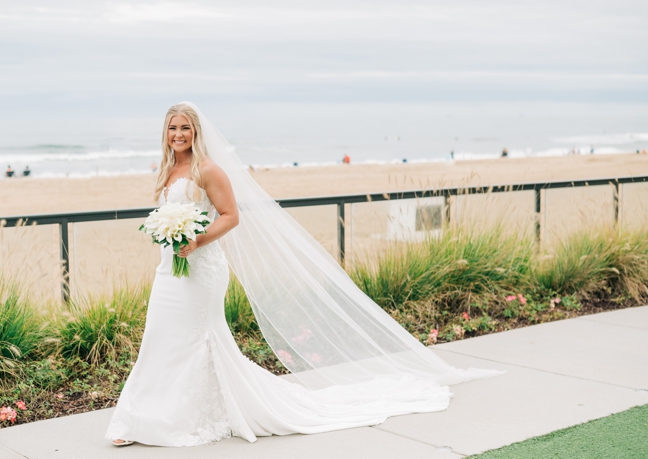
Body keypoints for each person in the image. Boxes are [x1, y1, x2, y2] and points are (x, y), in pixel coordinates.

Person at [105, 103, 500, 447]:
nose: (178, 134)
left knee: (195, 340)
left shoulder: (209, 169)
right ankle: (146, 414)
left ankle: (175, 419)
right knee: (160, 334)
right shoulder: (170, 167)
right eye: (172, 128)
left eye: (185, 127)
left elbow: (231, 216)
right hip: (169, 271)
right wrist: (168, 233)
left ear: (196, 131)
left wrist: (197, 241)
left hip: (201, 270)